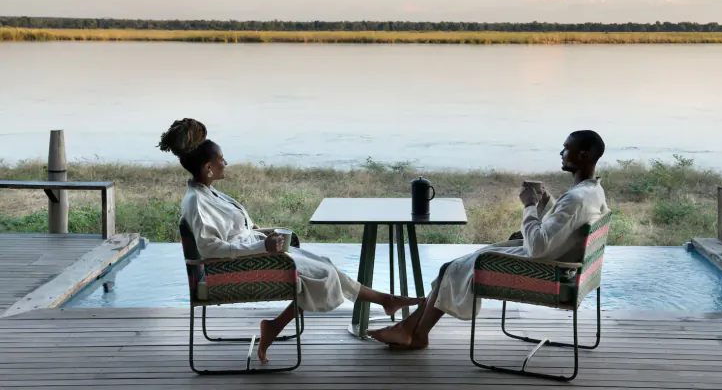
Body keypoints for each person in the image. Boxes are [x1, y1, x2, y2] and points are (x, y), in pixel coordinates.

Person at [157, 118, 422, 363]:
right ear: (208, 168)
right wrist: (262, 246)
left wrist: (261, 233)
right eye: (221, 160)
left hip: (252, 254)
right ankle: (278, 325)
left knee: (323, 264)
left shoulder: (208, 193)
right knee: (318, 274)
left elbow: (232, 231)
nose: (226, 163)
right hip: (232, 268)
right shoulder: (196, 203)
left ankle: (384, 299)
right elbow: (209, 248)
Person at [368, 130, 611, 349]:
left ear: (583, 154)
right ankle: (412, 331)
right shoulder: (591, 191)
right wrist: (546, 203)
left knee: (452, 269)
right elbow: (566, 223)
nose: (562, 152)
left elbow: (537, 247)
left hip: (547, 272)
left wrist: (529, 206)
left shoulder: (577, 198)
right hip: (564, 265)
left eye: (567, 148)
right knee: (449, 269)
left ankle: (414, 333)